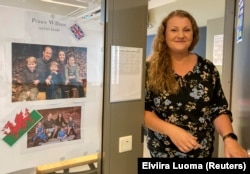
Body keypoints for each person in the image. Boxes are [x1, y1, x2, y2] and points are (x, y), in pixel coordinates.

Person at [144, 10, 248, 158]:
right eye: (174, 30)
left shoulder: (207, 68)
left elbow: (218, 109)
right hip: (163, 152)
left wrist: (229, 138)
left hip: (201, 153)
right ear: (164, 34)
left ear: (193, 34)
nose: (181, 35)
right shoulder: (149, 69)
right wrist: (171, 130)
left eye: (186, 30)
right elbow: (143, 111)